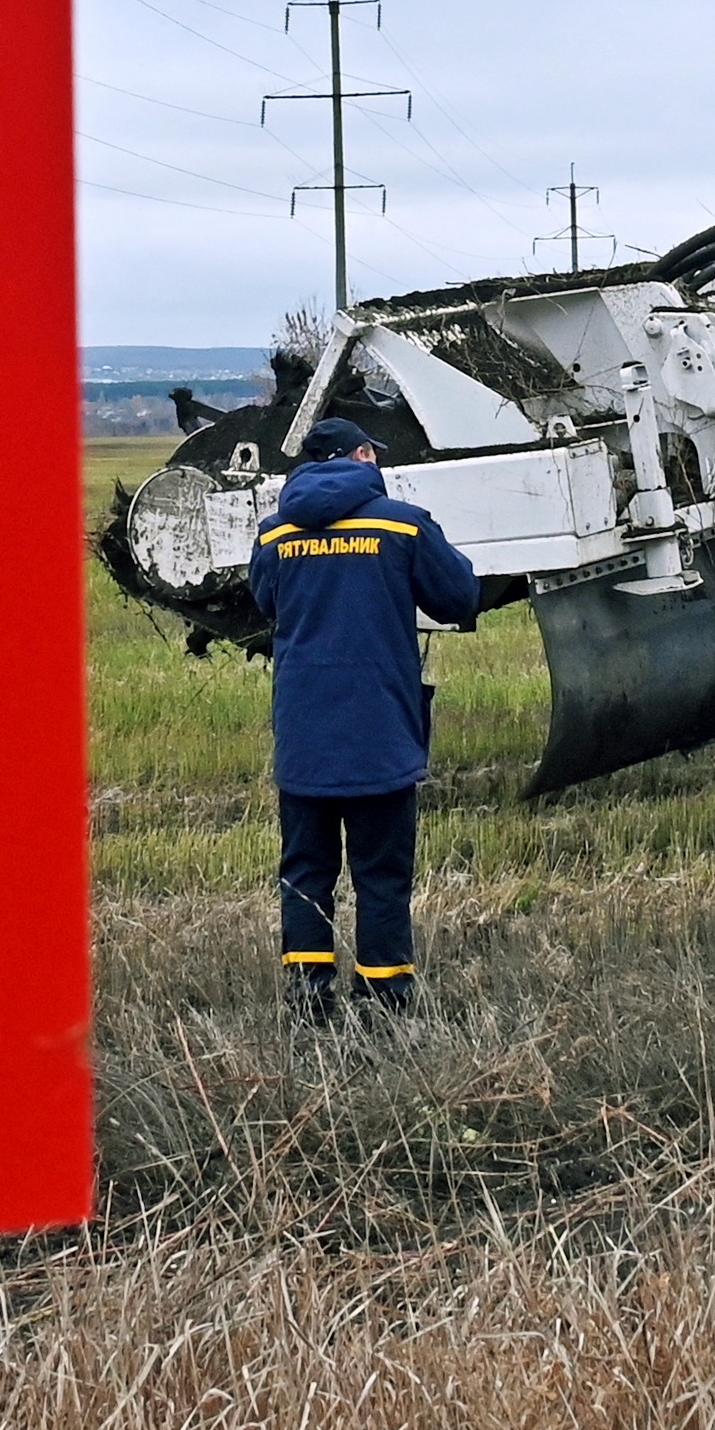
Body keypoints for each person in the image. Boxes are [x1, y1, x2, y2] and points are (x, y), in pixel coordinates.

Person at [248, 418, 482, 1016]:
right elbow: (458, 597)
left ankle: (307, 997)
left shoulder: (274, 534)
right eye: (372, 452)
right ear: (359, 456)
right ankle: (384, 999)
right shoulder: (402, 524)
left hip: (304, 735)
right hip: (380, 731)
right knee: (381, 871)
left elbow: (263, 601)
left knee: (305, 869)